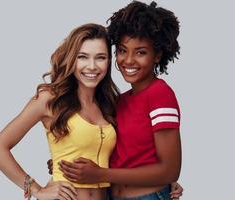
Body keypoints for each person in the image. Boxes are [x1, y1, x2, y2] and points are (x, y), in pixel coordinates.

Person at [59, 1, 183, 200]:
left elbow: (170, 170)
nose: (128, 60)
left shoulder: (160, 95)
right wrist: (68, 163)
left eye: (141, 52)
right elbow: (113, 152)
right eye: (123, 50)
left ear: (157, 55)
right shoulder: (119, 101)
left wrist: (100, 174)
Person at [0, 23, 121, 200]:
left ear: (109, 62)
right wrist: (36, 189)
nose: (92, 66)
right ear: (72, 59)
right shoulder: (50, 99)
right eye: (82, 57)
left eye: (100, 57)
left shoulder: (110, 103)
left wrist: (170, 180)